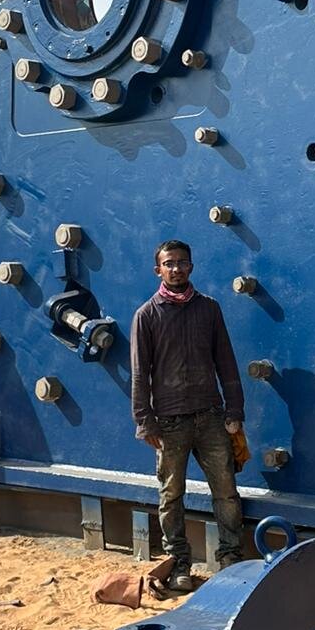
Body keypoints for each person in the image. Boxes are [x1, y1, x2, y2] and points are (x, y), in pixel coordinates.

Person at [130, 239, 245, 592]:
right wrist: (145, 421)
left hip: (210, 417)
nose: (176, 268)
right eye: (169, 263)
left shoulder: (209, 309)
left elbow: (226, 362)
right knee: (171, 495)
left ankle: (231, 559)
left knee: (226, 491)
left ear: (191, 266)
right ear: (158, 270)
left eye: (182, 262)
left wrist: (234, 410)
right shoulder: (146, 316)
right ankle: (179, 563)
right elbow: (140, 373)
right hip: (169, 423)